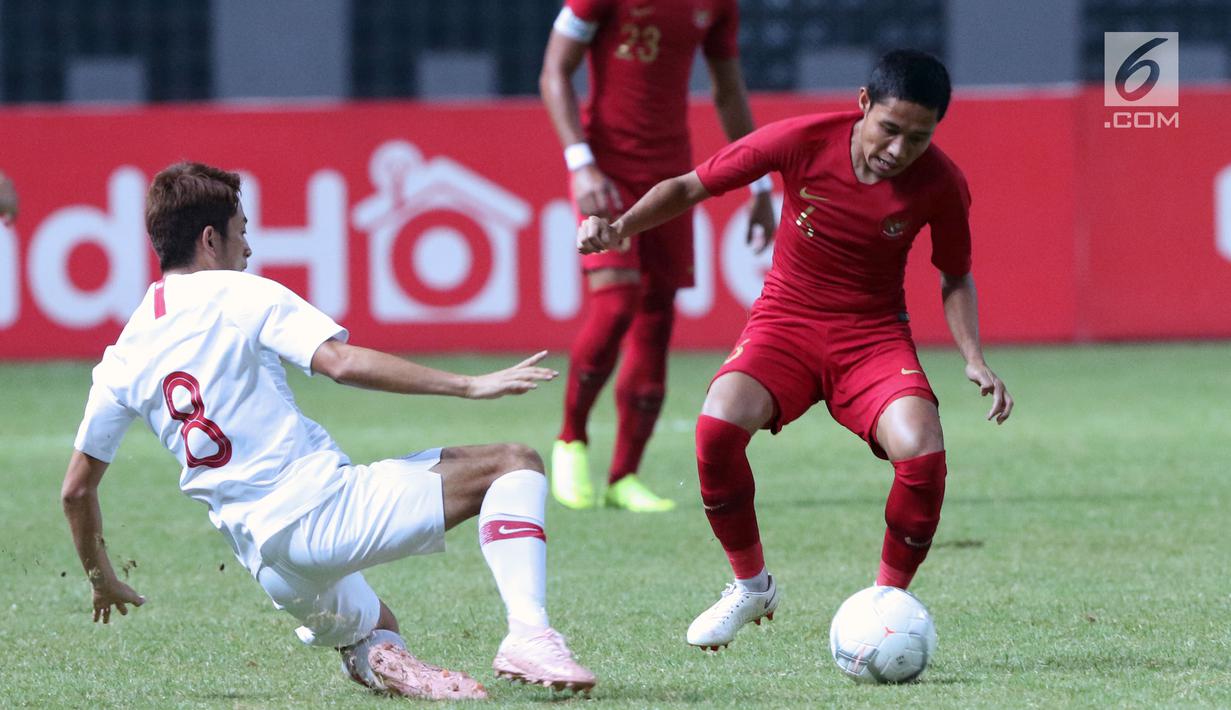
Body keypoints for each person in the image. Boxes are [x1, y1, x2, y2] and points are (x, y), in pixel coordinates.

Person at [62, 162, 597, 699]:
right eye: (242, 231)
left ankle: (369, 655)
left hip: (268, 562)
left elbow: (76, 490)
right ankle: (530, 634)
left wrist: (101, 577)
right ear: (210, 239)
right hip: (321, 513)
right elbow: (339, 363)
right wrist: (467, 385)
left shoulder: (123, 352)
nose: (247, 249)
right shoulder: (238, 292)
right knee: (513, 463)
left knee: (375, 620)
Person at [577, 50, 1014, 650]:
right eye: (889, 128)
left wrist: (973, 356)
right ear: (864, 103)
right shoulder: (802, 140)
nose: (898, 149)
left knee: (923, 452)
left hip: (872, 337)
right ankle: (751, 586)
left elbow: (955, 274)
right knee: (715, 427)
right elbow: (689, 185)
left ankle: (886, 603)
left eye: (917, 138)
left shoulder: (941, 182)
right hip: (786, 323)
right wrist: (619, 228)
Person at [540, 0, 777, 512]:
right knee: (617, 304)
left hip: (671, 177)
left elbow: (728, 90)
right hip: (607, 168)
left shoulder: (717, 5)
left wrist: (760, 186)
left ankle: (625, 476)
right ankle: (571, 440)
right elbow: (555, 70)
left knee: (657, 317)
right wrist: (581, 164)